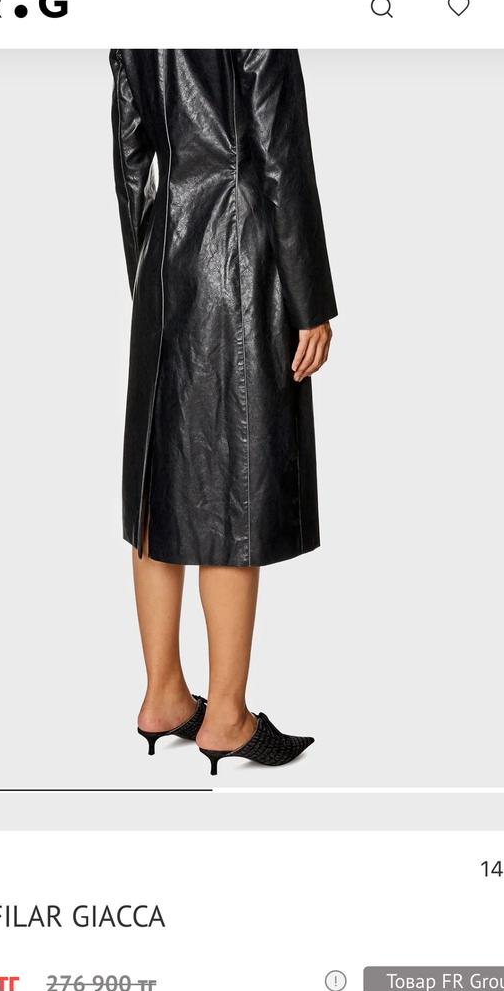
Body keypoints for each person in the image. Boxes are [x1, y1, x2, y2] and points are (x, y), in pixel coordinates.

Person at [110, 49, 336, 774]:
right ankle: (228, 717)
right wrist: (310, 298)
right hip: (243, 253)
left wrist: (150, 272)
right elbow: (281, 155)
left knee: (160, 478)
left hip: (165, 257)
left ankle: (163, 695)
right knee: (234, 489)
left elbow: (129, 160)